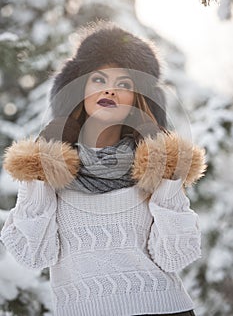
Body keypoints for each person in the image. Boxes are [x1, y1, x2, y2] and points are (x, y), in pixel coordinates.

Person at [1, 21, 207, 316]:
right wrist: (38, 174)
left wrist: (168, 175)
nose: (110, 90)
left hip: (164, 308)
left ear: (137, 99)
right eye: (98, 79)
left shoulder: (155, 164)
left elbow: (174, 257)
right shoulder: (49, 165)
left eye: (124, 84)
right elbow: (34, 255)